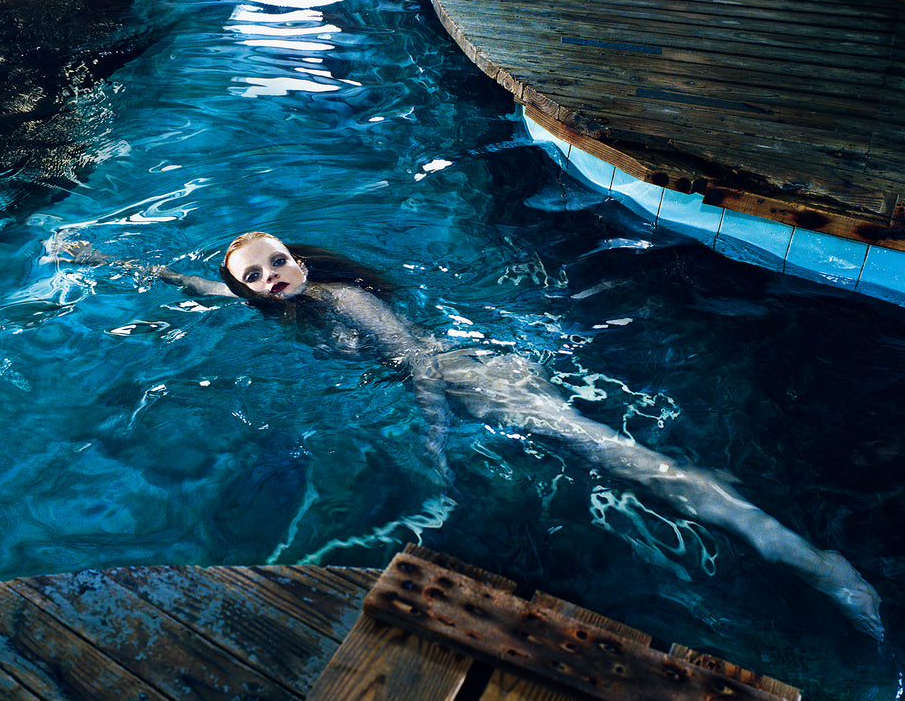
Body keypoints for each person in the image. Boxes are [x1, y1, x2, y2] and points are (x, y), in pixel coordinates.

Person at [54, 231, 886, 640]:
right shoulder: (281, 306)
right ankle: (792, 553)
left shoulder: (342, 301)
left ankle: (816, 563)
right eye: (258, 277)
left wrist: (434, 434)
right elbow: (199, 285)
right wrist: (109, 263)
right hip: (472, 385)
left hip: (480, 384)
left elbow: (417, 362)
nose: (275, 276)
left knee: (634, 464)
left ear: (298, 263)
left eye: (279, 261)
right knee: (623, 464)